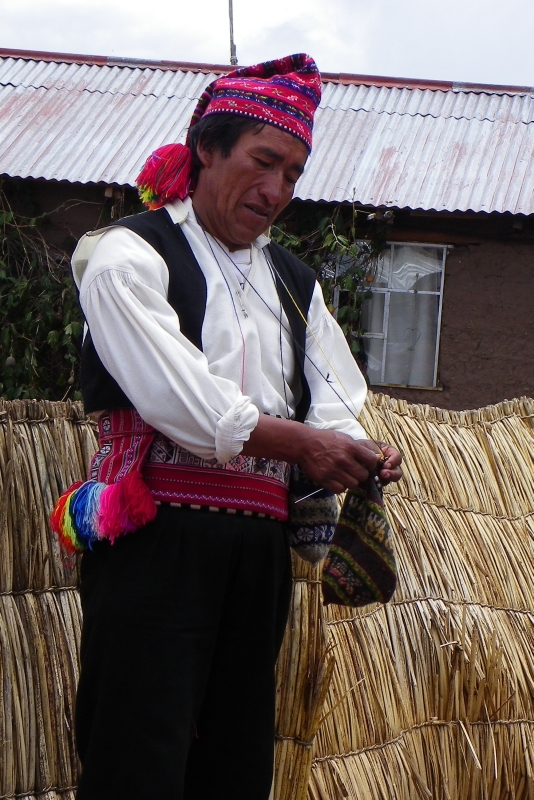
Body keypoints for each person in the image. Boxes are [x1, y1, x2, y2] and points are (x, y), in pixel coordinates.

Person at [67, 54, 402, 800]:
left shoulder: (295, 282)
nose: (277, 190)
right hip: (157, 538)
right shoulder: (127, 255)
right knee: (136, 757)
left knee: (235, 762)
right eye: (263, 162)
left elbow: (335, 395)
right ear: (206, 150)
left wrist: (352, 449)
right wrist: (301, 443)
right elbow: (181, 398)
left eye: (293, 173)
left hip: (259, 553)